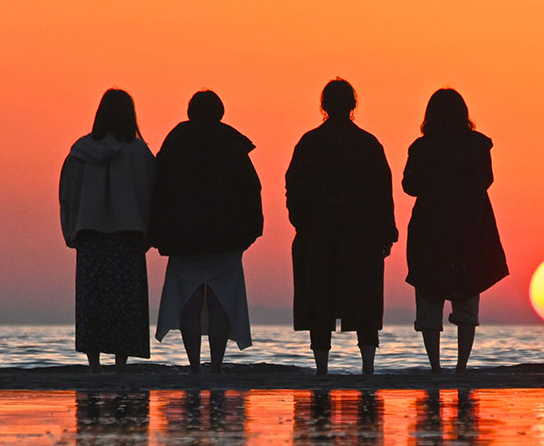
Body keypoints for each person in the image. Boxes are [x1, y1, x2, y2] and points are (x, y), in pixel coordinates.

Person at [285, 79, 398, 376]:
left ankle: (322, 370)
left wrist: (302, 223)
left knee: (319, 303)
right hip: (361, 235)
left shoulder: (310, 143)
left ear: (324, 106)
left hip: (318, 234)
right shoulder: (368, 144)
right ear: (353, 105)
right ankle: (368, 369)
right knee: (365, 304)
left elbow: (293, 188)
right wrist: (387, 233)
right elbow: (383, 193)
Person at [150, 90, 263, 374]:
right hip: (226, 237)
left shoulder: (175, 143)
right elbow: (252, 190)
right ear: (220, 112)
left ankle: (193, 366)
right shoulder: (232, 145)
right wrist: (251, 229)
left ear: (190, 112)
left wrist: (157, 231)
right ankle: (215, 365)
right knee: (221, 300)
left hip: (183, 238)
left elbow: (157, 189)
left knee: (188, 300)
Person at [402, 88, 508, 374]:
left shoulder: (422, 147)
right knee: (467, 296)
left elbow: (409, 186)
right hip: (470, 227)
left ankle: (435, 367)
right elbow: (487, 180)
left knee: (429, 298)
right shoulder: (478, 145)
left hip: (430, 227)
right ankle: (462, 367)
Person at [59, 89, 155, 373]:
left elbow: (68, 194)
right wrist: (150, 233)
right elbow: (152, 193)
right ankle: (121, 365)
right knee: (125, 303)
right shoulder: (139, 152)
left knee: (92, 301)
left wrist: (71, 229)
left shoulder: (80, 151)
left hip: (91, 235)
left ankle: (94, 365)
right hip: (128, 235)